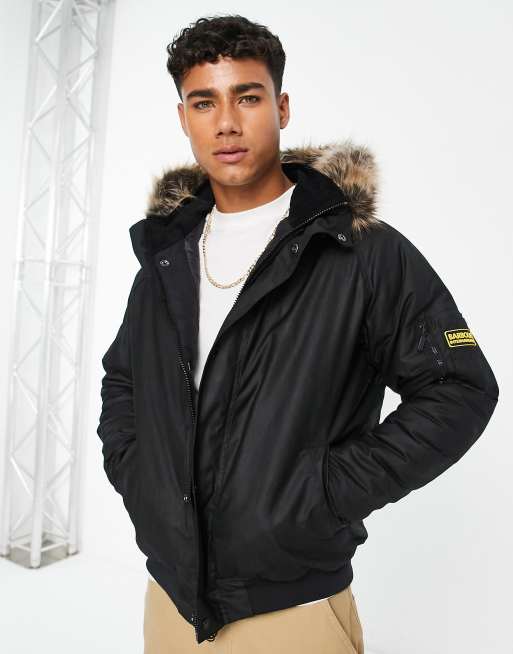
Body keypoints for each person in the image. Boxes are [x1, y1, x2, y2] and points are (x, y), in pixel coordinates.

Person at [96, 13, 499, 654]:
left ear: (281, 108)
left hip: (293, 612)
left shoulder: (361, 252)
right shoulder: (167, 255)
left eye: (248, 97)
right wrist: (140, 478)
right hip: (168, 602)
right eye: (204, 103)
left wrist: (325, 491)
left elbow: (459, 386)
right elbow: (124, 378)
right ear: (184, 118)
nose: (226, 123)